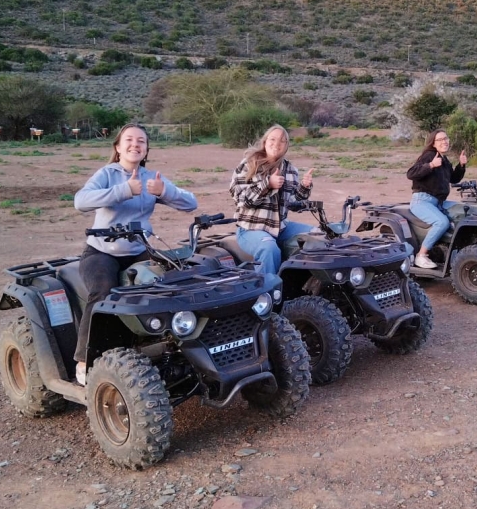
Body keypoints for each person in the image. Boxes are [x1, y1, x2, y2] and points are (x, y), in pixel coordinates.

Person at [73, 123, 198, 385]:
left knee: (165, 288)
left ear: (146, 148)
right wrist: (124, 191)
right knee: (102, 291)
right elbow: (81, 201)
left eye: (141, 141)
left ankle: (160, 347)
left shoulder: (152, 178)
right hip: (101, 251)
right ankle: (85, 359)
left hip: (139, 251)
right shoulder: (107, 174)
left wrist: (164, 191)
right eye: (129, 140)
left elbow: (190, 203)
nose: (135, 144)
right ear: (118, 147)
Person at [229, 124, 315, 275]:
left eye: (282, 141)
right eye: (273, 139)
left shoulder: (290, 169)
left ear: (287, 145)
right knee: (269, 248)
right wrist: (267, 184)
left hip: (280, 227)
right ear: (265, 141)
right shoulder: (249, 165)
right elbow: (242, 200)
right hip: (251, 229)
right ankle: (268, 293)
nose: (277, 143)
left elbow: (293, 202)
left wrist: (304, 187)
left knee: (318, 236)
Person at [406, 129, 467, 269]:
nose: (444, 141)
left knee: (462, 211)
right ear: (433, 143)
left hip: (439, 202)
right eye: (440, 139)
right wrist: (431, 165)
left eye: (446, 138)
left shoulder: (444, 160)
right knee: (441, 222)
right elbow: (411, 174)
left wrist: (461, 165)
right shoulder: (429, 156)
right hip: (422, 200)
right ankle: (421, 256)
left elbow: (454, 179)